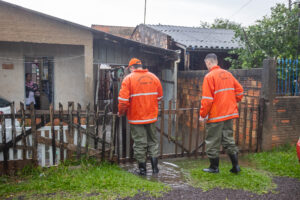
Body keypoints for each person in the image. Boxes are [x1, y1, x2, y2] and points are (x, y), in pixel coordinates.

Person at [199, 53, 244, 174]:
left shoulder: (209, 77)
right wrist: (231, 102)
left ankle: (214, 168)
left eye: (206, 64)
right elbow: (240, 92)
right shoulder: (228, 74)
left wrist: (202, 115)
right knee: (228, 140)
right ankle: (236, 166)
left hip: (216, 116)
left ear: (208, 62)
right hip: (229, 114)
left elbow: (207, 100)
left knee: (212, 141)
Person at [118, 58, 163, 175]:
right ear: (141, 66)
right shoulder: (154, 78)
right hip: (151, 117)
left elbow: (123, 101)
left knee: (140, 143)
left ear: (132, 68)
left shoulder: (128, 79)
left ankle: (142, 170)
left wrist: (121, 112)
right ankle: (155, 169)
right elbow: (159, 98)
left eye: (129, 69)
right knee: (153, 142)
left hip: (136, 118)